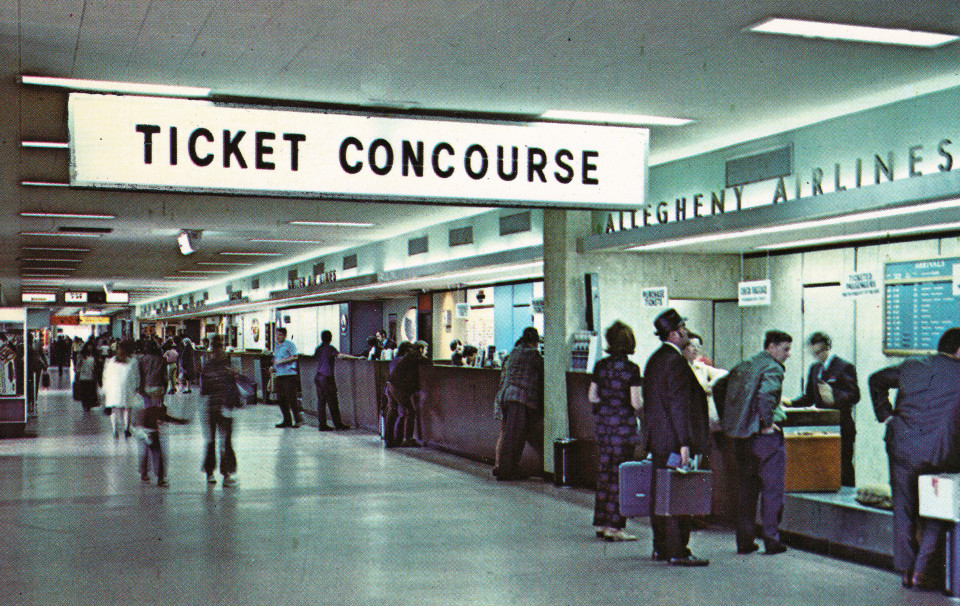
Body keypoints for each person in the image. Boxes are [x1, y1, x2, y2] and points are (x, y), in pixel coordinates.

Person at [869, 327, 960, 591]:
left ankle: (907, 571)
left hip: (903, 448)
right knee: (938, 510)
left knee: (904, 509)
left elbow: (876, 379)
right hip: (942, 453)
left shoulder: (912, 365)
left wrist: (885, 413)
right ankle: (922, 571)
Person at [643, 308, 711, 566]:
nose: (686, 331)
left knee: (660, 494)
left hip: (659, 441)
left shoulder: (655, 360)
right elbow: (679, 406)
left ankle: (661, 546)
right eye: (682, 327)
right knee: (678, 494)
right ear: (673, 333)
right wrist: (685, 443)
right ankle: (677, 550)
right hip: (674, 442)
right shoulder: (676, 362)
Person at [722, 330, 793, 556]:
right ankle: (771, 540)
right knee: (772, 490)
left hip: (742, 438)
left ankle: (744, 541)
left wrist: (734, 419)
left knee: (746, 490)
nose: (788, 354)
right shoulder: (773, 367)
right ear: (771, 347)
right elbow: (766, 397)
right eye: (785, 349)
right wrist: (767, 423)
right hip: (765, 438)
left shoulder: (744, 365)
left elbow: (720, 387)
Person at [589, 320, 643, 542]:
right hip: (623, 426)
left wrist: (607, 403)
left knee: (605, 472)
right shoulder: (632, 369)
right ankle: (615, 527)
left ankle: (601, 523)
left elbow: (592, 396)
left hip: (603, 425)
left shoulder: (600, 366)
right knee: (620, 475)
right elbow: (636, 403)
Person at [789, 332, 860, 487]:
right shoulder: (815, 369)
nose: (817, 356)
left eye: (820, 352)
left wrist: (834, 396)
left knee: (843, 466)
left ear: (827, 347)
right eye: (814, 353)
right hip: (823, 425)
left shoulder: (844, 367)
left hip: (842, 425)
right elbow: (809, 397)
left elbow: (854, 395)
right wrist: (791, 403)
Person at [492, 327, 544, 481]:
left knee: (511, 433)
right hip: (520, 398)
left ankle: (507, 467)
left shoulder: (513, 353)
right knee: (514, 435)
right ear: (534, 342)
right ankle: (507, 470)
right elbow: (543, 370)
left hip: (506, 396)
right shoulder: (533, 355)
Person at [201, 334, 240, 486]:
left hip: (212, 407)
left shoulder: (208, 366)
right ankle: (226, 474)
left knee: (211, 441)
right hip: (225, 408)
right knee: (226, 441)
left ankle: (210, 473)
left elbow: (204, 390)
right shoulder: (229, 365)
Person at [386, 340, 429, 447]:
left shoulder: (408, 357)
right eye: (426, 349)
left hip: (391, 384)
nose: (426, 352)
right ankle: (408, 439)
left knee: (393, 410)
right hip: (399, 387)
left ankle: (390, 439)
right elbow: (428, 362)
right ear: (421, 349)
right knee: (409, 411)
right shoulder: (415, 356)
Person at [683, 333, 728, 433]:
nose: (695, 349)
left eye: (698, 346)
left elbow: (723, 373)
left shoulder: (701, 366)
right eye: (692, 346)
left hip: (705, 412)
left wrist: (711, 384)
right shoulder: (681, 367)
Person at [313, 330, 353, 431]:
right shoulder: (330, 348)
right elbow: (340, 356)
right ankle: (338, 424)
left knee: (321, 402)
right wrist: (356, 357)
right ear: (330, 338)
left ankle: (322, 425)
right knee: (333, 402)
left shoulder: (318, 348)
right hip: (327, 378)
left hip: (318, 377)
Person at [102, 339, 139, 439]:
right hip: (127, 387)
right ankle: (126, 429)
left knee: (114, 409)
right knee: (127, 409)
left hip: (113, 388)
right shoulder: (133, 360)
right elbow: (136, 375)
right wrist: (136, 386)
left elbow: (106, 376)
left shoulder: (111, 361)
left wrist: (105, 389)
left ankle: (115, 430)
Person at [272, 327, 303, 428]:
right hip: (279, 374)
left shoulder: (290, 345)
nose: (277, 337)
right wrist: (273, 367)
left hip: (289, 375)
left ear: (285, 335)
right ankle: (287, 420)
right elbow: (276, 358)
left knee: (291, 398)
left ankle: (298, 420)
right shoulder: (276, 346)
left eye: (280, 335)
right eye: (276, 334)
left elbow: (295, 356)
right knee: (281, 398)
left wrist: (282, 361)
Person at [74, 342, 100, 412]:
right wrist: (77, 373)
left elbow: (96, 366)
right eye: (89, 346)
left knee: (90, 391)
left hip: (91, 376)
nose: (90, 348)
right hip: (83, 376)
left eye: (91, 346)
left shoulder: (94, 356)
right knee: (84, 391)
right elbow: (78, 366)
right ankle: (85, 404)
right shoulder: (81, 356)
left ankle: (88, 404)